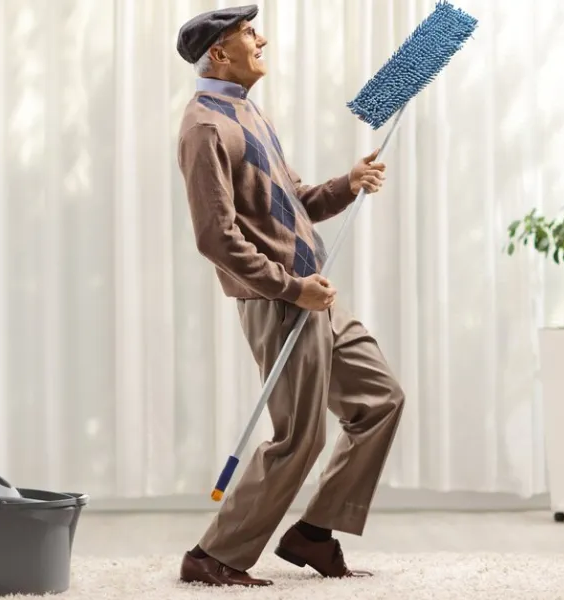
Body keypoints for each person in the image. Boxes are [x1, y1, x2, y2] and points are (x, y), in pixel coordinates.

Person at [174, 4, 407, 588]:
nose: (263, 39)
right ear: (219, 54)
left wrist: (347, 185)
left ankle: (313, 534)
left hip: (315, 291)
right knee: (298, 438)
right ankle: (213, 556)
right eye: (250, 33)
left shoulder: (249, 113)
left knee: (380, 400)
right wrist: (290, 288)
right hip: (279, 301)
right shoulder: (205, 126)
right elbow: (216, 237)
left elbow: (295, 200)